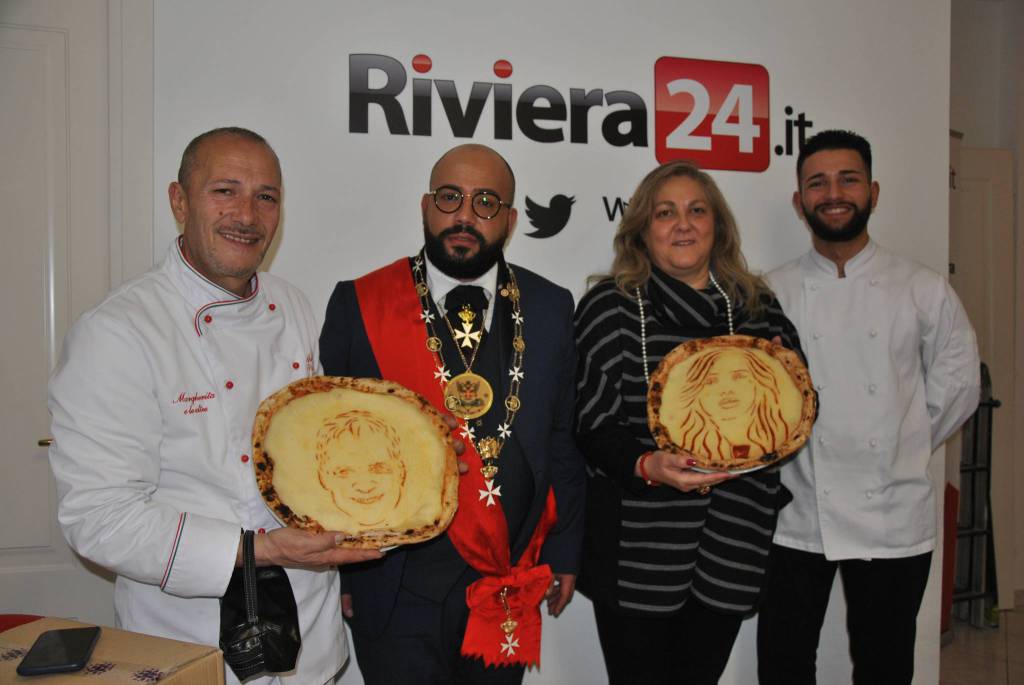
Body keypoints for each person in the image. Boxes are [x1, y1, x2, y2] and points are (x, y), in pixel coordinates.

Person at [47, 127, 384, 685]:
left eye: (266, 197)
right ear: (179, 201)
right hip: (190, 639)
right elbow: (98, 519)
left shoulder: (292, 303)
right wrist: (262, 549)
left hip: (315, 634)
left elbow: (318, 449)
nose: (246, 215)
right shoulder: (118, 332)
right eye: (224, 191)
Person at [320, 143, 585, 684]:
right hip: (392, 584)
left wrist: (563, 551)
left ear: (510, 220)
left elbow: (562, 439)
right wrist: (341, 573)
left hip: (506, 578)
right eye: (450, 198)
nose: (465, 215)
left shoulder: (553, 306)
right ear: (425, 206)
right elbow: (334, 449)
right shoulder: (359, 302)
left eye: (487, 202)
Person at [757, 129, 981, 685]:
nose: (834, 193)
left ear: (874, 192)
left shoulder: (922, 288)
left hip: (892, 514)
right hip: (796, 513)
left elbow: (959, 383)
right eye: (818, 183)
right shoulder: (769, 291)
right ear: (799, 200)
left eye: (848, 179)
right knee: (783, 666)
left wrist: (903, 437)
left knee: (884, 668)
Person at [573, 160, 804, 685]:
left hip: (733, 541)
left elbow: (796, 418)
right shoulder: (609, 307)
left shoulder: (759, 309)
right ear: (641, 230)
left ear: (717, 226)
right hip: (637, 548)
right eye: (665, 212)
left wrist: (779, 384)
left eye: (697, 210)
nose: (683, 224)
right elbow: (590, 425)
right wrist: (648, 464)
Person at [674, 346, 796, 462]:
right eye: (710, 381)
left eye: (739, 376)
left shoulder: (783, 431)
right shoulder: (681, 438)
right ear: (695, 391)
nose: (726, 390)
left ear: (759, 381)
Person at [315, 410, 408, 524]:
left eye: (378, 468)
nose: (365, 487)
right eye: (345, 472)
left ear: (401, 471)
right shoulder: (311, 525)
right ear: (324, 478)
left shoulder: (426, 522)